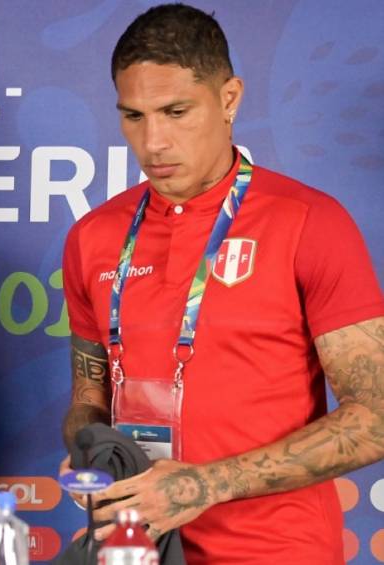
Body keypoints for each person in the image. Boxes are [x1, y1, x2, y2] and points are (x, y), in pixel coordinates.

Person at [60, 4, 384, 564]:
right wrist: (90, 450)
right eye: (133, 116)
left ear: (229, 98)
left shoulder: (308, 221)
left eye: (175, 111)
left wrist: (202, 486)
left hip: (278, 551)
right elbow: (90, 397)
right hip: (138, 550)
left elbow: (376, 416)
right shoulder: (92, 236)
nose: (153, 142)